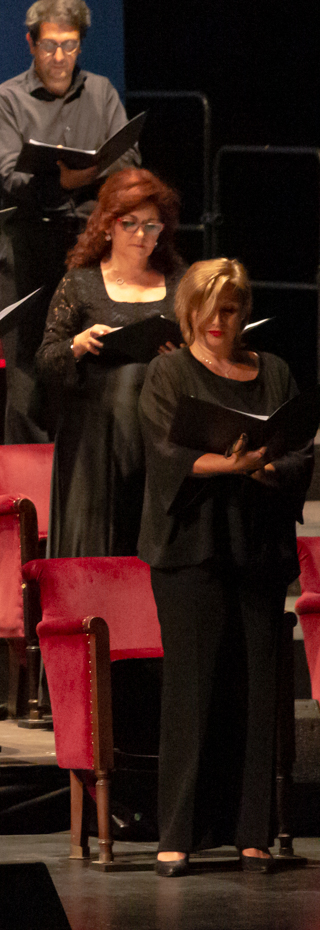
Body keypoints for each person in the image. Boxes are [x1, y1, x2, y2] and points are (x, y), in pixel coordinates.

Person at [139, 258, 311, 875]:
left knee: (259, 690)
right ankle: (177, 833)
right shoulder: (168, 373)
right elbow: (164, 452)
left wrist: (263, 469)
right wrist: (229, 466)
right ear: (190, 309)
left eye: (232, 308)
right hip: (192, 547)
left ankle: (251, 831)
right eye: (211, 307)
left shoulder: (275, 372)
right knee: (193, 688)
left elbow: (298, 453)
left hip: (257, 544)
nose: (220, 319)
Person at [0, 0, 141, 444]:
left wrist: (82, 178)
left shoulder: (101, 91)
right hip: (29, 243)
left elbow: (128, 159)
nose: (59, 56)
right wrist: (70, 182)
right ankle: (28, 487)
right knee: (28, 365)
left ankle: (86, 469)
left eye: (69, 45)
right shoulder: (6, 99)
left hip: (89, 243)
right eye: (50, 45)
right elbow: (10, 179)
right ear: (31, 43)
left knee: (92, 354)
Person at [35, 170, 184, 557]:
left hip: (158, 431)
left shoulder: (180, 282)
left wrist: (179, 361)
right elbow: (47, 361)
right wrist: (79, 344)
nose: (140, 234)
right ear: (107, 227)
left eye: (151, 225)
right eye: (129, 223)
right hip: (94, 436)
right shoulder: (81, 283)